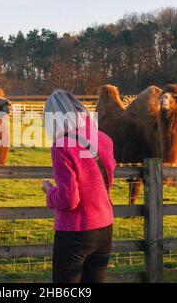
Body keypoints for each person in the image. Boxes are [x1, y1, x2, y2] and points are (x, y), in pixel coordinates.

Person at [42, 89, 117, 283]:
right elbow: (105, 182)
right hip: (104, 227)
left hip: (75, 232)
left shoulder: (62, 146)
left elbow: (69, 199)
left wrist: (49, 192)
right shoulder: (104, 139)